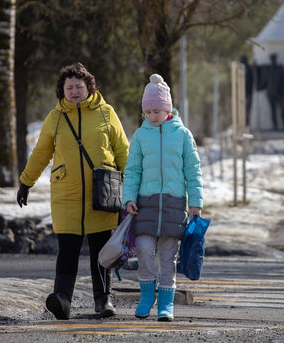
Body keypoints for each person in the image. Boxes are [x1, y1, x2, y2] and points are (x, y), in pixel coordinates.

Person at [16, 63, 129, 320]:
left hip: (102, 194)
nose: (75, 91)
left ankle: (103, 300)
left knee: (102, 250)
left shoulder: (106, 113)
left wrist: (132, 186)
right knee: (67, 248)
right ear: (62, 90)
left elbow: (123, 151)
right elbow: (41, 153)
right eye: (70, 87)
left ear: (89, 87)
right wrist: (26, 182)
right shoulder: (54, 118)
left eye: (79, 86)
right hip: (66, 195)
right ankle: (62, 299)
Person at [124, 74, 203, 321]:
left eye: (157, 110)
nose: (152, 116)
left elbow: (193, 170)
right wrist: (128, 198)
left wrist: (196, 202)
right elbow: (133, 170)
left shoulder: (182, 135)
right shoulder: (140, 135)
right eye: (148, 111)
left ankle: (166, 303)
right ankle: (147, 296)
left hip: (173, 206)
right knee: (145, 250)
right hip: (145, 205)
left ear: (167, 109)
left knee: (168, 256)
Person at [265, 53, 284, 130]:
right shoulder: (268, 69)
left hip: (279, 93)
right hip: (271, 93)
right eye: (272, 59)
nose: (273, 60)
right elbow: (265, 80)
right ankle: (275, 126)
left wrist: (283, 91)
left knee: (283, 109)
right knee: (273, 111)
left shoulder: (280, 68)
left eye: (274, 59)